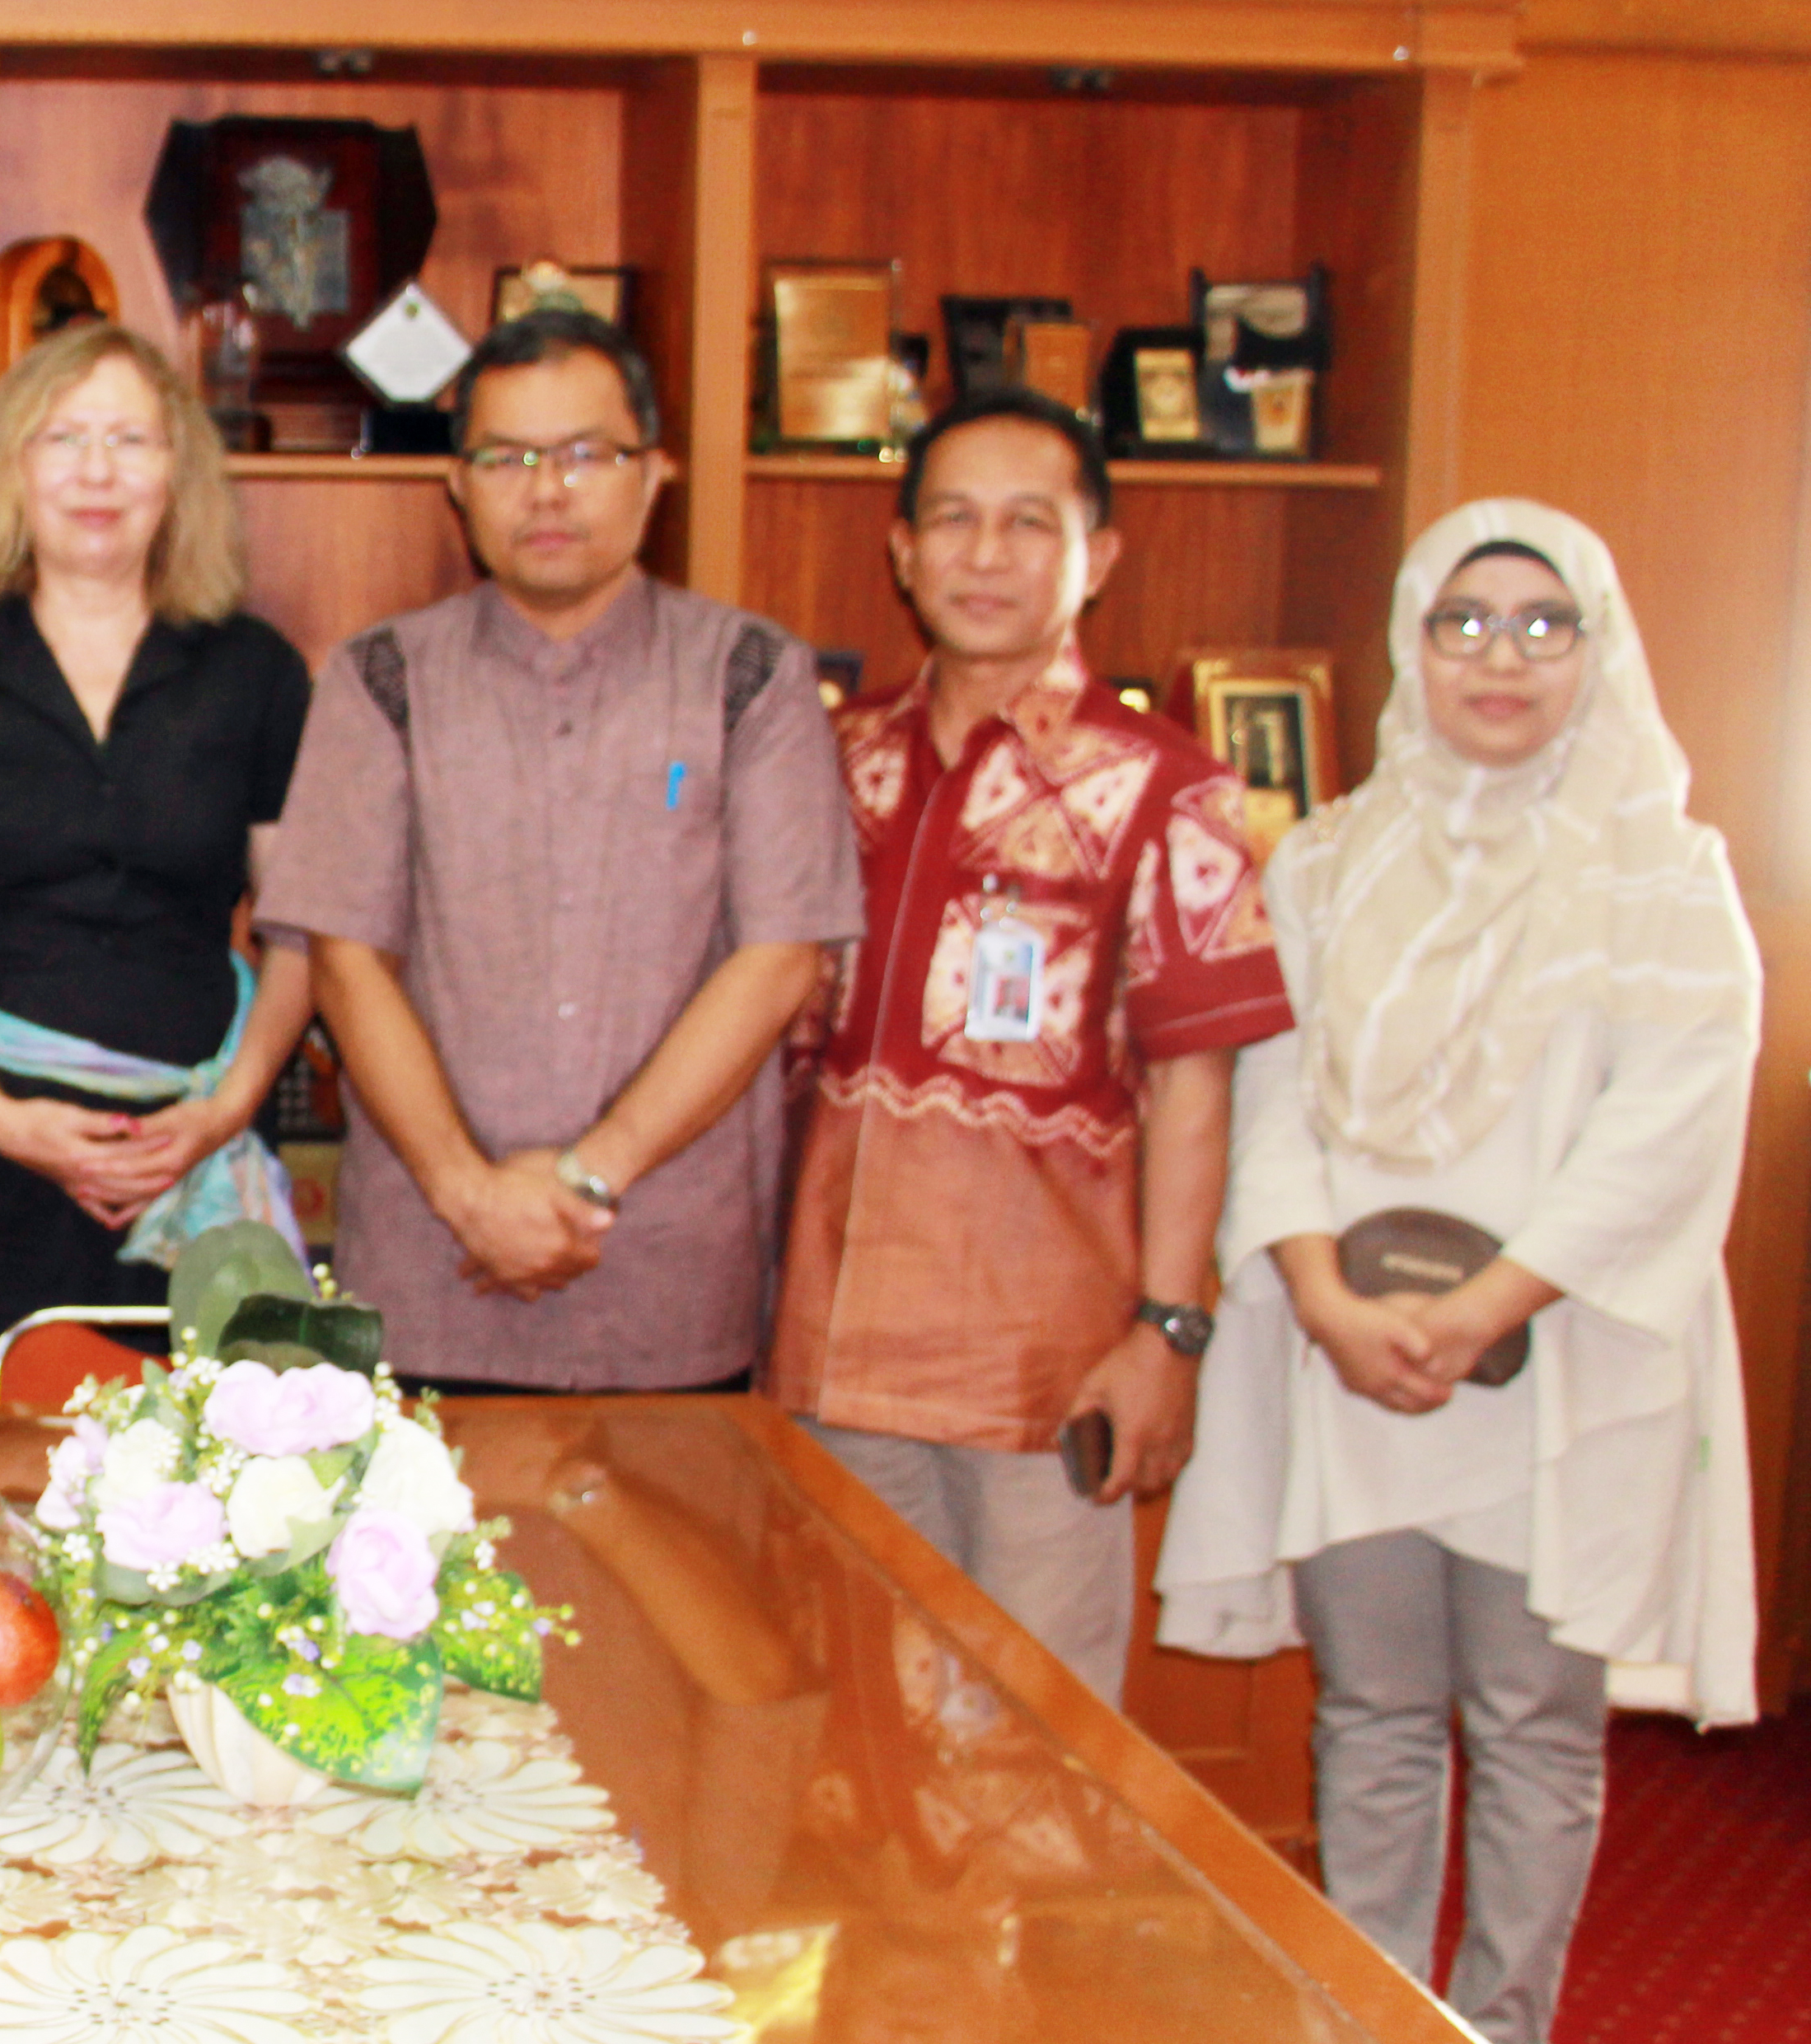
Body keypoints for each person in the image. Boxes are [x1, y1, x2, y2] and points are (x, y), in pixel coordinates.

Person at [1159, 501, 1763, 2043]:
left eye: (1544, 626)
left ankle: (1501, 2026)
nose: (1503, 658)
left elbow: (1666, 1131)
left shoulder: (1666, 870)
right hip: (1358, 1356)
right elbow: (1272, 1099)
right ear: (1411, 643)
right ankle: (1367, 2017)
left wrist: (1490, 1307)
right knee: (1369, 1717)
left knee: (1533, 1727)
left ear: (1598, 649)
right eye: (1464, 622)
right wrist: (1325, 1299)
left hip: (1559, 1363)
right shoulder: (1332, 861)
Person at [762, 390, 1293, 1700]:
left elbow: (1196, 1084)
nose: (984, 555)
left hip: (1041, 1370)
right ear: (901, 551)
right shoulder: (833, 765)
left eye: (1026, 523)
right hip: (828, 1349)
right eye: (952, 519)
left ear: (1094, 557)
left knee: (1034, 1753)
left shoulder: (1170, 790)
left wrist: (1170, 1331)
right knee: (850, 1737)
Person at [257, 308, 861, 1392]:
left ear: (655, 471)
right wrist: (469, 1196)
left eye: (585, 454)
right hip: (431, 1274)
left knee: (674, 1563)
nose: (546, 490)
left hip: (668, 1279)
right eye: (506, 457)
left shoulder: (753, 676)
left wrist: (589, 1175)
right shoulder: (380, 678)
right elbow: (346, 961)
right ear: (458, 483)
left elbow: (778, 959)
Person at [0, 323, 315, 1401]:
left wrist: (224, 1113)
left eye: (130, 440)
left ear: (177, 474)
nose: (97, 472)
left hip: (194, 1160)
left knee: (210, 1511)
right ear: (13, 469)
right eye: (64, 439)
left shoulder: (257, 676)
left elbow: (304, 935)